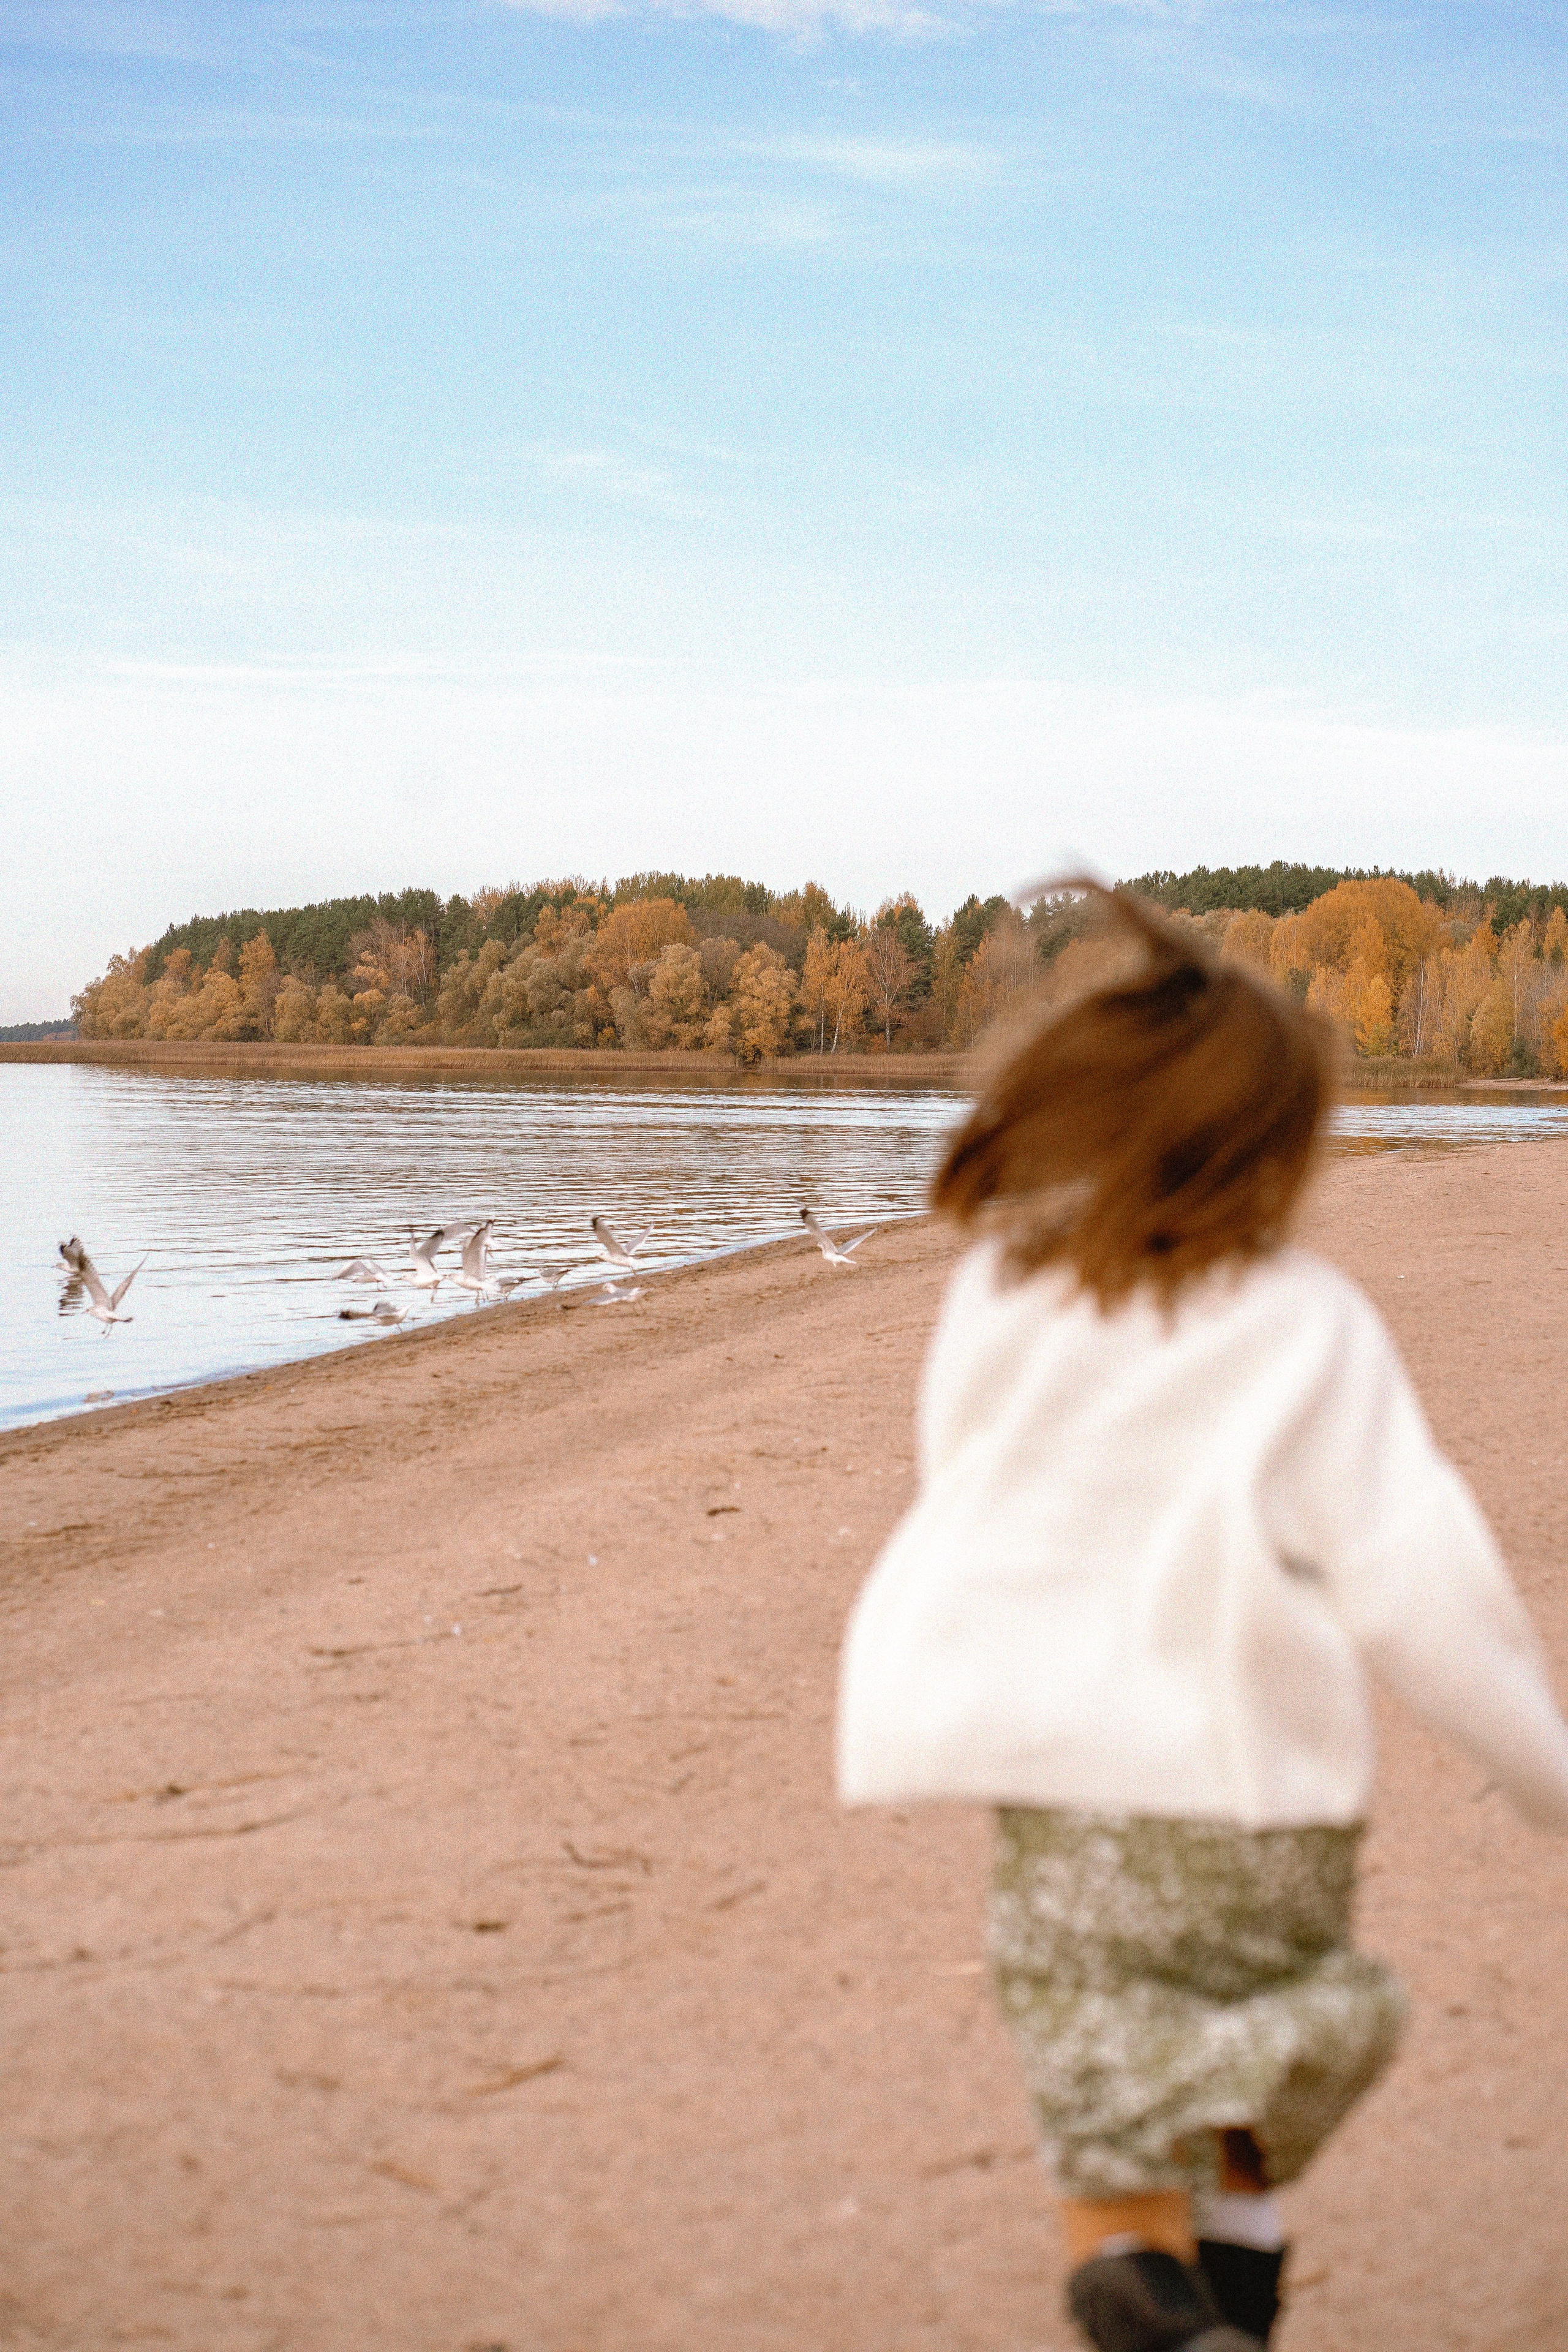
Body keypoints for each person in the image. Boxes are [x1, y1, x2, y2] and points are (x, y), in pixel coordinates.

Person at [836, 884, 1568, 2352]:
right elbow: (1420, 1585)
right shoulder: (1307, 1323)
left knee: (1112, 2119)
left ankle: (1145, 2289)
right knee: (1231, 2109)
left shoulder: (1001, 1292)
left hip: (1071, 1810)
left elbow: (964, 1488)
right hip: (1263, 1818)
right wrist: (1544, 1768)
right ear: (1272, 1152)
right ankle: (1232, 2283)